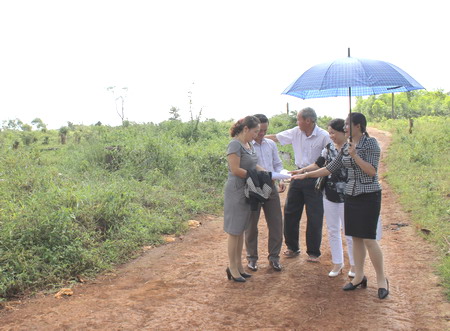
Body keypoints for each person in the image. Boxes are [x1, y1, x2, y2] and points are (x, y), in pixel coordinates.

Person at [291, 112, 389, 299]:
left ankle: (382, 280)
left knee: (369, 239)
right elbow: (329, 168)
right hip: (350, 195)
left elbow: (371, 171)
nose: (344, 127)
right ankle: (358, 276)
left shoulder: (371, 144)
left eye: (346, 124)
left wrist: (355, 155)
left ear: (358, 126)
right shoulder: (345, 147)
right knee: (356, 238)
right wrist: (305, 174)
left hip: (368, 195)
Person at [266, 107, 332, 262]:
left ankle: (313, 252)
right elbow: (276, 137)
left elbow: (327, 158)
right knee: (290, 212)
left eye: (299, 119)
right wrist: (257, 137)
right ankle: (293, 247)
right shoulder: (296, 132)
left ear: (308, 121)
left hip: (315, 177)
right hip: (297, 175)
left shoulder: (324, 136)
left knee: (314, 215)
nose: (297, 122)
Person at [290, 118, 355, 277]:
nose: (330, 135)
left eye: (333, 132)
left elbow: (328, 169)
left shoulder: (352, 149)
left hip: (348, 196)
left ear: (344, 132)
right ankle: (337, 263)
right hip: (330, 194)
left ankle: (354, 266)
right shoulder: (329, 148)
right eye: (330, 132)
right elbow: (319, 165)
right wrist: (302, 171)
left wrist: (305, 175)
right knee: (333, 230)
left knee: (350, 232)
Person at [224, 115, 265, 282]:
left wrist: (265, 173)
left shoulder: (248, 145)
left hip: (248, 188)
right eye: (255, 131)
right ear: (246, 129)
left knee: (240, 229)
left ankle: (239, 266)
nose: (257, 135)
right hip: (236, 189)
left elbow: (252, 165)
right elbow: (235, 169)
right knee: (234, 231)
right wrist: (256, 177)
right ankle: (232, 267)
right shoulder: (235, 144)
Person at [245, 114, 285, 272]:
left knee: (276, 223)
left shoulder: (270, 145)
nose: (262, 133)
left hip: (271, 186)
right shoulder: (247, 146)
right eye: (259, 130)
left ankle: (274, 257)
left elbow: (277, 164)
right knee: (251, 225)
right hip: (253, 188)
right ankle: (252, 258)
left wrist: (281, 178)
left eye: (265, 130)